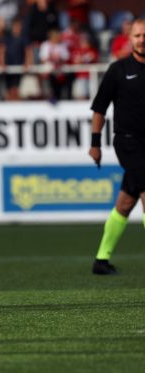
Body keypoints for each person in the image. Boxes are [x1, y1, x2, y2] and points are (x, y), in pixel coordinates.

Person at [88, 19, 145, 275]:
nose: (142, 39)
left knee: (125, 203)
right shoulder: (119, 70)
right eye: (137, 35)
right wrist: (95, 143)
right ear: (130, 38)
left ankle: (101, 260)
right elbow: (100, 108)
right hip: (129, 142)